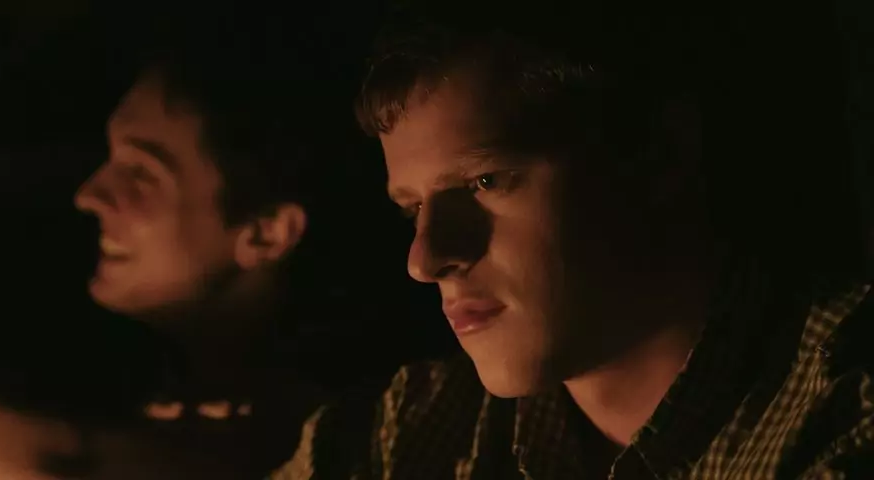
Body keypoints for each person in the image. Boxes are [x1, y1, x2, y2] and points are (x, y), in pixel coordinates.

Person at [271, 2, 873, 478]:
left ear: (658, 154)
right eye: (412, 209)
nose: (425, 259)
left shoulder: (845, 412)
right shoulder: (409, 432)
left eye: (486, 180)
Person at [0, 16, 411, 480]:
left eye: (140, 173)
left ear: (267, 233)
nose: (89, 194)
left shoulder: (323, 436)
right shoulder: (119, 389)